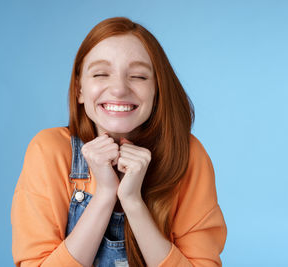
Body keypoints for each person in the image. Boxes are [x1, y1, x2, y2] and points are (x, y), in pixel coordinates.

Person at [11, 17, 227, 267]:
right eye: (101, 74)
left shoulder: (187, 155)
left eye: (138, 76)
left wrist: (133, 201)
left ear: (157, 90)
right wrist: (105, 195)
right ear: (80, 88)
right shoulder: (49, 150)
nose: (119, 89)